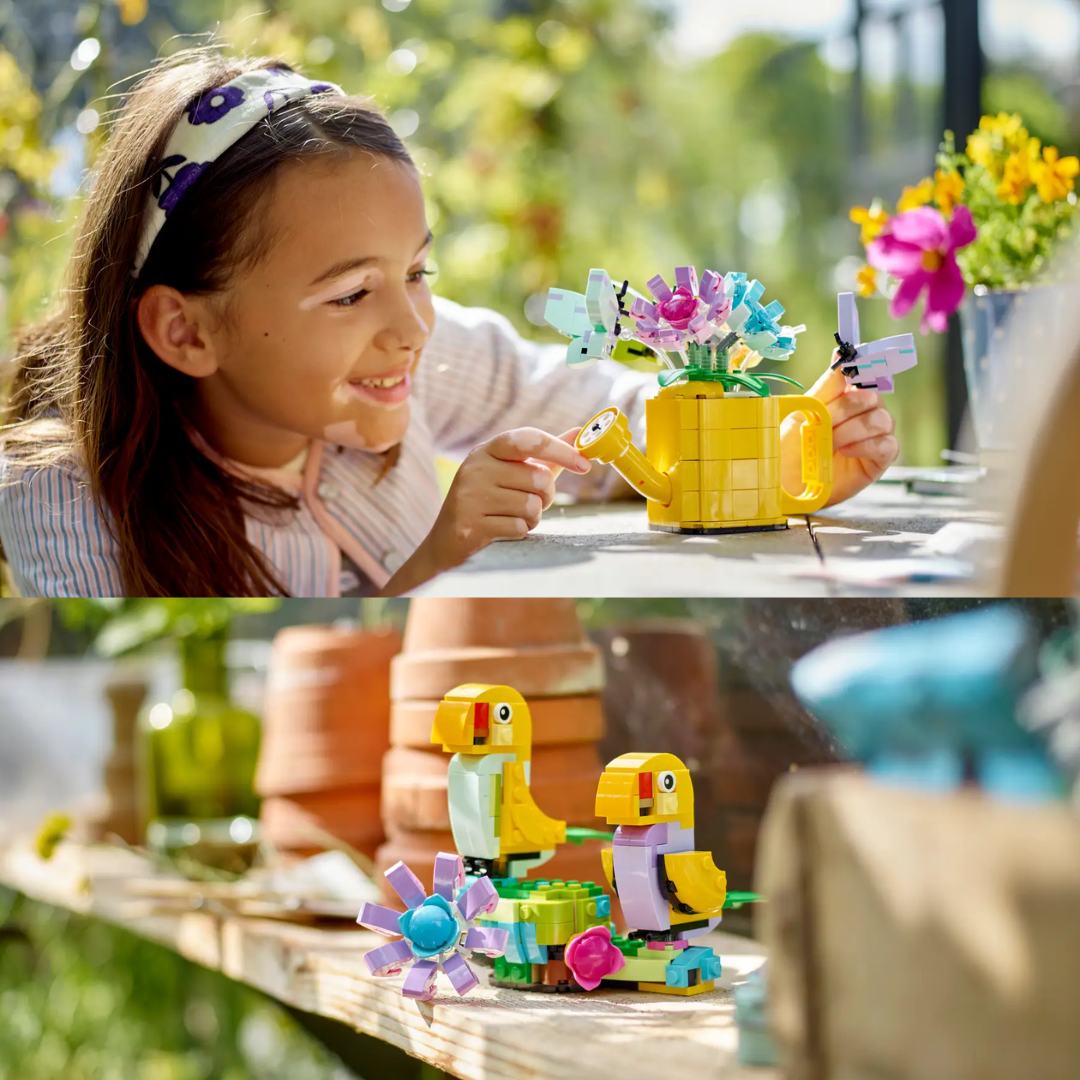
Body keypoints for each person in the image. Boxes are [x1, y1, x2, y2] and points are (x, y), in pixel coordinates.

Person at [0, 50, 897, 597]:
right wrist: (440, 559)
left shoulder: (417, 357)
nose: (412, 325)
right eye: (351, 293)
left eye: (418, 271)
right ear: (187, 332)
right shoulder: (65, 506)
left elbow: (605, 406)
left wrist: (774, 452)